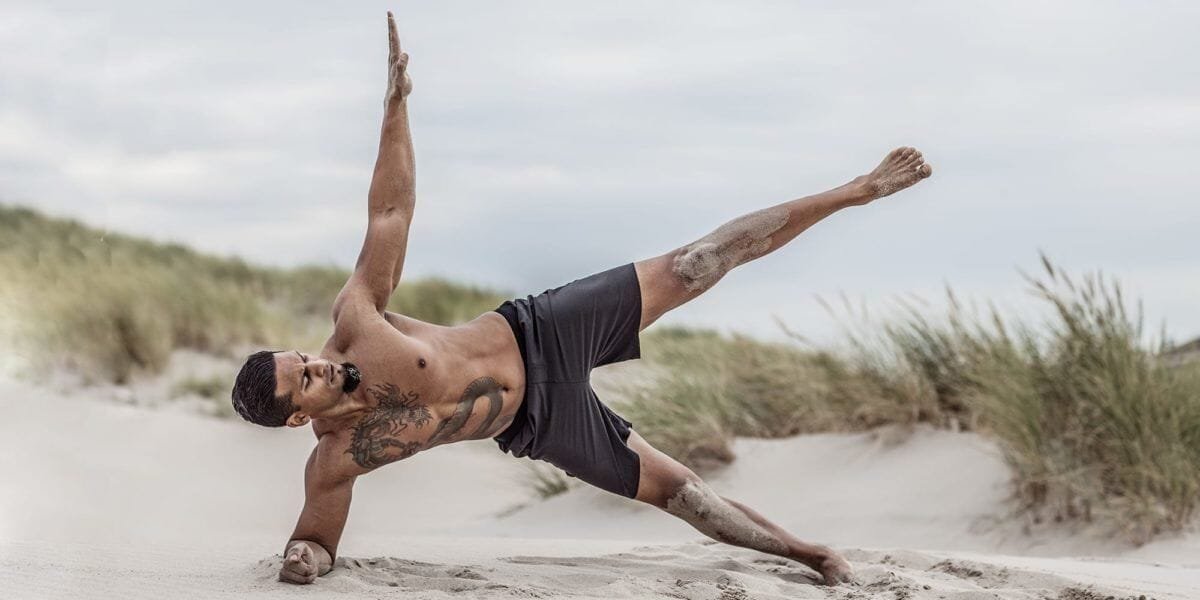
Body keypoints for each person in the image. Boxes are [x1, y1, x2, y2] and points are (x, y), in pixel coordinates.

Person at [231, 11, 933, 588]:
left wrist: (395, 109)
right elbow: (315, 543)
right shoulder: (336, 460)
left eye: (305, 360)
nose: (318, 367)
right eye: (306, 381)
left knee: (697, 262)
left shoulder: (357, 322)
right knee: (684, 496)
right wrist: (304, 560)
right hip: (539, 421)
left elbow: (390, 212)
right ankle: (811, 556)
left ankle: (856, 189)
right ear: (299, 418)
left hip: (541, 333)